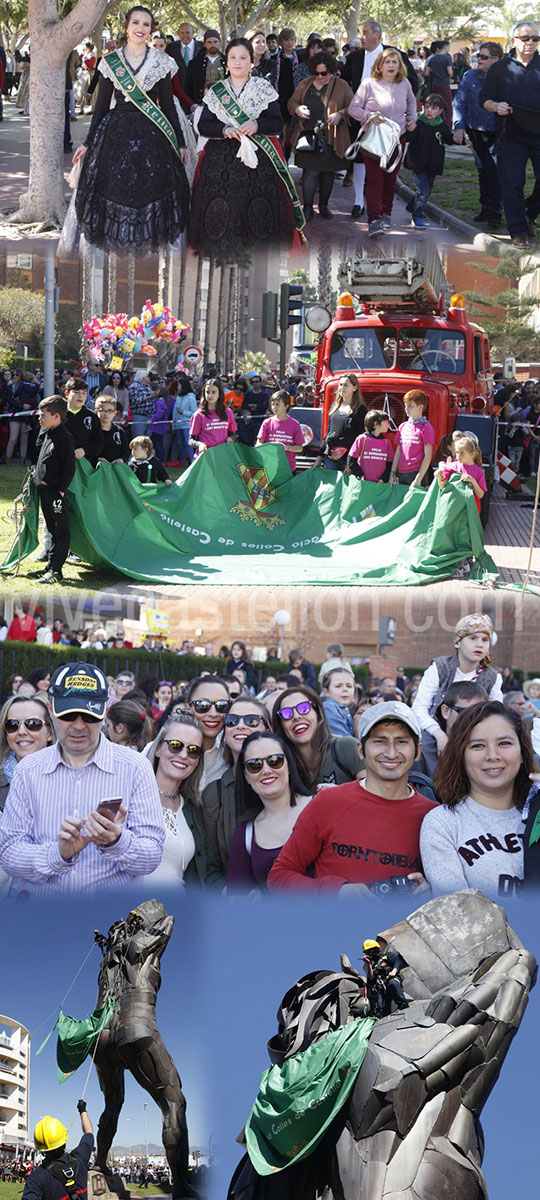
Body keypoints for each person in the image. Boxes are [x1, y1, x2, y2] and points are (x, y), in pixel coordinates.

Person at [0, 662, 165, 896]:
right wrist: (58, 853)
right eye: (68, 715)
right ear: (51, 709)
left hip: (110, 923)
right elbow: (8, 854)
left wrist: (116, 841)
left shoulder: (135, 767)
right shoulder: (28, 770)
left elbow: (151, 856)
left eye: (89, 716)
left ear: (105, 711)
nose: (78, 726)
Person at [268, 701, 436, 893]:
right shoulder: (328, 802)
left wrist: (432, 893)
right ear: (360, 750)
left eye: (402, 741)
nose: (391, 753)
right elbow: (279, 877)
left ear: (418, 752)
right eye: (379, 741)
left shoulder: (432, 816)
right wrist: (335, 892)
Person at [72, 6, 189, 251]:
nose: (141, 28)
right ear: (126, 26)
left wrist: (180, 141)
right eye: (136, 22)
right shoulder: (110, 62)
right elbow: (101, 107)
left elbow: (167, 105)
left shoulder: (162, 62)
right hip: (116, 133)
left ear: (151, 30)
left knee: (150, 189)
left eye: (146, 24)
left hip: (153, 134)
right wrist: (87, 142)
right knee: (116, 187)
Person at [190, 37, 305, 251]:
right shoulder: (217, 91)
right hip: (220, 162)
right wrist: (224, 130)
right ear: (227, 61)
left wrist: (256, 125)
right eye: (233, 57)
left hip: (259, 162)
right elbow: (204, 126)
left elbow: (277, 123)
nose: (237, 62)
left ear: (251, 61)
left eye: (243, 58)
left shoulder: (263, 87)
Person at [420, 700, 534, 899]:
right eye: (478, 745)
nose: (492, 755)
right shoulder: (443, 823)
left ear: (523, 752)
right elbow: (460, 913)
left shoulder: (537, 812)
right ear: (461, 755)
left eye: (504, 743)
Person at [341, 19, 419, 219]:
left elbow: (412, 86)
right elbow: (345, 83)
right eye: (361, 33)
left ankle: (384, 213)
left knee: (388, 174)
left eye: (365, 33)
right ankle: (359, 201)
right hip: (364, 122)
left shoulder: (395, 54)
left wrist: (410, 116)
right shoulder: (355, 57)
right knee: (361, 161)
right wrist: (355, 111)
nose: (362, 37)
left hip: (394, 129)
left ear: (378, 34)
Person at [227, 731, 312, 892]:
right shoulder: (245, 835)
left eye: (275, 761)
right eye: (254, 765)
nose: (266, 770)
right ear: (245, 775)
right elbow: (237, 898)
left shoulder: (322, 806)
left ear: (289, 765)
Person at [480, 20, 540, 247]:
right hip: (511, 133)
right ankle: (518, 231)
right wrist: (495, 106)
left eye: (535, 38)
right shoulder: (500, 68)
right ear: (514, 40)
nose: (531, 43)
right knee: (512, 183)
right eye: (526, 38)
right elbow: (483, 99)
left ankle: (529, 212)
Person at [144, 713, 221, 887]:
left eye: (193, 750)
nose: (184, 755)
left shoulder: (192, 808)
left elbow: (207, 870)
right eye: (175, 746)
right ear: (157, 749)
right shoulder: (131, 797)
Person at [412, 612, 503, 757]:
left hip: (476, 734)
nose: (479, 644)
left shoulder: (493, 677)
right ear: (457, 642)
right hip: (436, 731)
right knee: (424, 745)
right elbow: (418, 708)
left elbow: (497, 716)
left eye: (485, 640)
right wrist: (439, 735)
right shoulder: (440, 667)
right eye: (472, 638)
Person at [202, 695, 271, 873]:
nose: (241, 726)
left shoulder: (288, 779)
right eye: (232, 720)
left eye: (251, 721)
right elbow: (210, 866)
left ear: (268, 729)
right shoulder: (214, 794)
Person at [0, 694, 56, 897]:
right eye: (13, 725)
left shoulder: (74, 782)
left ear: (49, 732)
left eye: (32, 724)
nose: (22, 732)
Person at [288, 51, 354, 221]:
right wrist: (297, 109)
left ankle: (324, 205)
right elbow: (292, 102)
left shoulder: (342, 86)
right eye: (316, 73)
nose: (319, 76)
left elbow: (353, 107)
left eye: (323, 73)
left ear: (331, 70)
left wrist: (340, 114)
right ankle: (308, 208)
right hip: (309, 135)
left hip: (332, 136)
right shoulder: (305, 84)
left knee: (327, 173)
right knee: (310, 172)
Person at [452, 42, 504, 229]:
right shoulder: (470, 76)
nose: (478, 60)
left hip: (497, 133)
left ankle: (495, 211)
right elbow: (459, 103)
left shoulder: (505, 77)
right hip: (476, 132)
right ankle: (485, 207)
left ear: (496, 59)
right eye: (478, 56)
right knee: (483, 170)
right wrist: (458, 127)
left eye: (483, 56)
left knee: (494, 171)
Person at [272, 685, 363, 789]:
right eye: (286, 713)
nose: (296, 716)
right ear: (280, 725)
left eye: (304, 708)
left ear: (317, 712)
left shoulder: (346, 746)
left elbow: (374, 796)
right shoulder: (280, 765)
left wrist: (340, 793)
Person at [26, 396, 76, 585]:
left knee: (60, 530)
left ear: (56, 416)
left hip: (55, 493)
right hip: (45, 491)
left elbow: (69, 467)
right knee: (51, 528)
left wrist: (61, 490)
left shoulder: (65, 437)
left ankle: (57, 571)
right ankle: (49, 566)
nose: (40, 418)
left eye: (43, 415)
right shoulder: (48, 433)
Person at [417, 680, 488, 778]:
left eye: (479, 712)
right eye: (465, 712)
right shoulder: (423, 751)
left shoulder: (492, 751)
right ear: (445, 711)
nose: (472, 719)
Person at [404, 93, 454, 229]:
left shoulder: (441, 125)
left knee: (427, 189)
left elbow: (449, 139)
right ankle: (417, 215)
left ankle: (411, 206)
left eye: (433, 108)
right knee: (423, 191)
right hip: (418, 162)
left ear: (440, 111)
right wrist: (409, 128)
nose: (429, 111)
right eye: (427, 107)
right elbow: (408, 137)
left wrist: (458, 139)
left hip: (433, 163)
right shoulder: (419, 123)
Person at [24, 1102, 93, 1200]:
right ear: (64, 1140)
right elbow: (89, 1132)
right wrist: (83, 1110)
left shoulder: (37, 1178)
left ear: (41, 1148)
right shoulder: (80, 1158)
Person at [312, 374, 367, 472]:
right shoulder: (334, 407)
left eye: (346, 385)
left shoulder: (361, 410)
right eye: (340, 385)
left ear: (354, 388)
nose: (342, 388)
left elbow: (361, 438)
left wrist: (351, 461)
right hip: (331, 457)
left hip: (348, 459)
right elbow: (328, 432)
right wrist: (319, 457)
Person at [185, 674, 230, 789]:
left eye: (222, 706)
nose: (213, 714)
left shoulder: (229, 758)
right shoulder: (163, 749)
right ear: (188, 708)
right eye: (203, 705)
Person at [389, 389, 435, 487]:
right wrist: (393, 472)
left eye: (410, 406)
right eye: (405, 405)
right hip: (402, 472)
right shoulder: (402, 426)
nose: (406, 408)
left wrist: (419, 478)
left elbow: (428, 457)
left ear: (420, 407)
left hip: (417, 472)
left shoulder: (426, 427)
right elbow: (398, 451)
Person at [256, 390, 304, 472]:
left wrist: (287, 448)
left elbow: (299, 448)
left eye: (277, 404)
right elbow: (258, 443)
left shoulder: (295, 424)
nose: (274, 407)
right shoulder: (267, 422)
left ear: (286, 406)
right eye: (272, 404)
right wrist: (267, 448)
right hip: (269, 466)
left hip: (288, 468)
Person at [189, 378, 237, 455]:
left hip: (223, 456)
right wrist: (200, 445)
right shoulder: (198, 415)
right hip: (205, 457)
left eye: (214, 392)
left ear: (219, 394)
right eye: (207, 392)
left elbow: (232, 434)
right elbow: (191, 440)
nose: (210, 395)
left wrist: (230, 439)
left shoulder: (228, 412)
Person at [362, 938, 409, 1015]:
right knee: (381, 1005)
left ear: (374, 949)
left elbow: (397, 961)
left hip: (390, 979)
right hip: (381, 987)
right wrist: (369, 964)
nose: (367, 954)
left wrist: (394, 971)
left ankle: (403, 1005)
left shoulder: (387, 956)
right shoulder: (374, 966)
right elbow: (371, 979)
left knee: (393, 983)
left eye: (368, 951)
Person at [64, 377, 103, 467]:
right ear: (67, 393)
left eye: (84, 393)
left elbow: (99, 442)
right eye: (76, 392)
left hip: (85, 465)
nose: (80, 396)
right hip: (61, 464)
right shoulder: (57, 415)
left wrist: (85, 450)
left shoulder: (92, 417)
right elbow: (42, 441)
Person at [346, 408, 393, 481]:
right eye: (386, 422)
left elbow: (390, 464)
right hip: (363, 484)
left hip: (380, 485)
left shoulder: (387, 442)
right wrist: (360, 474)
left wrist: (383, 478)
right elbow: (351, 460)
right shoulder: (362, 439)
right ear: (376, 424)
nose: (389, 424)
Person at [184, 27, 226, 103]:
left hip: (224, 102)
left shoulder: (228, 62)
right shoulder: (194, 64)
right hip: (202, 103)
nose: (212, 45)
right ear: (204, 44)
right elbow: (188, 88)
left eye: (215, 42)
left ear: (219, 43)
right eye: (209, 42)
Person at [424, 39, 453, 125]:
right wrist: (448, 77)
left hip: (434, 84)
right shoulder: (447, 58)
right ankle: (447, 125)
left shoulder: (432, 59)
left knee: (435, 104)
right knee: (447, 106)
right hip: (444, 84)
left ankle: (436, 122)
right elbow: (450, 72)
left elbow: (426, 73)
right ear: (445, 47)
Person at [321, 668, 357, 736]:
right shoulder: (329, 707)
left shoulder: (346, 709)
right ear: (326, 692)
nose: (345, 689)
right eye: (338, 686)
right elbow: (343, 740)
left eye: (349, 686)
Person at [95, 395, 130, 463]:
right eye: (102, 410)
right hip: (96, 468)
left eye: (110, 411)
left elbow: (126, 452)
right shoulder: (92, 431)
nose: (106, 414)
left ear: (115, 413)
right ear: (96, 412)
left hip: (116, 468)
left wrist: (122, 459)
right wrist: (97, 459)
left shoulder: (120, 432)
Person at [172, 375, 198, 463]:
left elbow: (194, 412)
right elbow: (175, 412)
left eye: (179, 385)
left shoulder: (191, 397)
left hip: (187, 424)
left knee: (188, 443)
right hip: (178, 425)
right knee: (180, 444)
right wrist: (173, 425)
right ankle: (182, 461)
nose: (178, 387)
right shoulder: (178, 397)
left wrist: (183, 412)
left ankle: (192, 459)